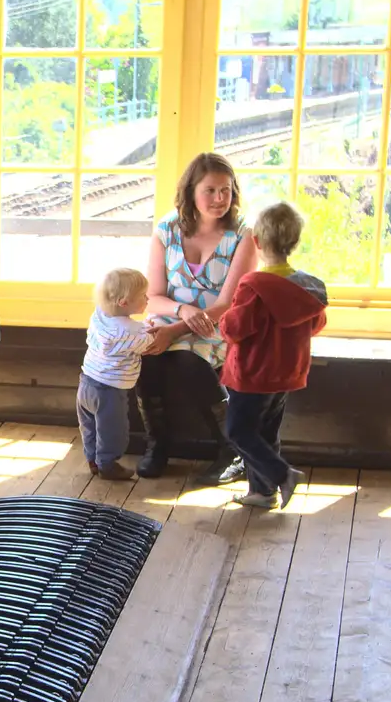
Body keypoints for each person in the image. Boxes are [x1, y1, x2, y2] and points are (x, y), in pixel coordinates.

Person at [140, 152, 259, 481]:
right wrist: (181, 312)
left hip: (217, 324)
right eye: (210, 190)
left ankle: (231, 448)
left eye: (227, 190)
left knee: (188, 360)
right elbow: (153, 296)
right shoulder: (167, 228)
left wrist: (179, 328)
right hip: (171, 318)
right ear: (191, 190)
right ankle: (158, 445)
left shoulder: (244, 234)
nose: (220, 199)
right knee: (146, 355)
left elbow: (229, 303)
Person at [219, 201, 328, 509]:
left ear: (256, 242)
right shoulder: (306, 288)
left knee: (238, 430)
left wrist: (223, 318)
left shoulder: (254, 287)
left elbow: (235, 328)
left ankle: (281, 475)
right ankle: (262, 492)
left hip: (252, 375)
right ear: (293, 242)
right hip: (286, 374)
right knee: (266, 432)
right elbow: (316, 324)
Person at [78, 268, 188, 480]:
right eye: (143, 297)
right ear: (124, 302)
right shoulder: (131, 331)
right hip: (109, 390)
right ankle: (108, 464)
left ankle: (92, 458)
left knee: (90, 426)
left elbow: (124, 329)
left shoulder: (99, 315)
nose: (148, 299)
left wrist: (140, 325)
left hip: (86, 383)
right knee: (114, 431)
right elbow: (149, 343)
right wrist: (151, 328)